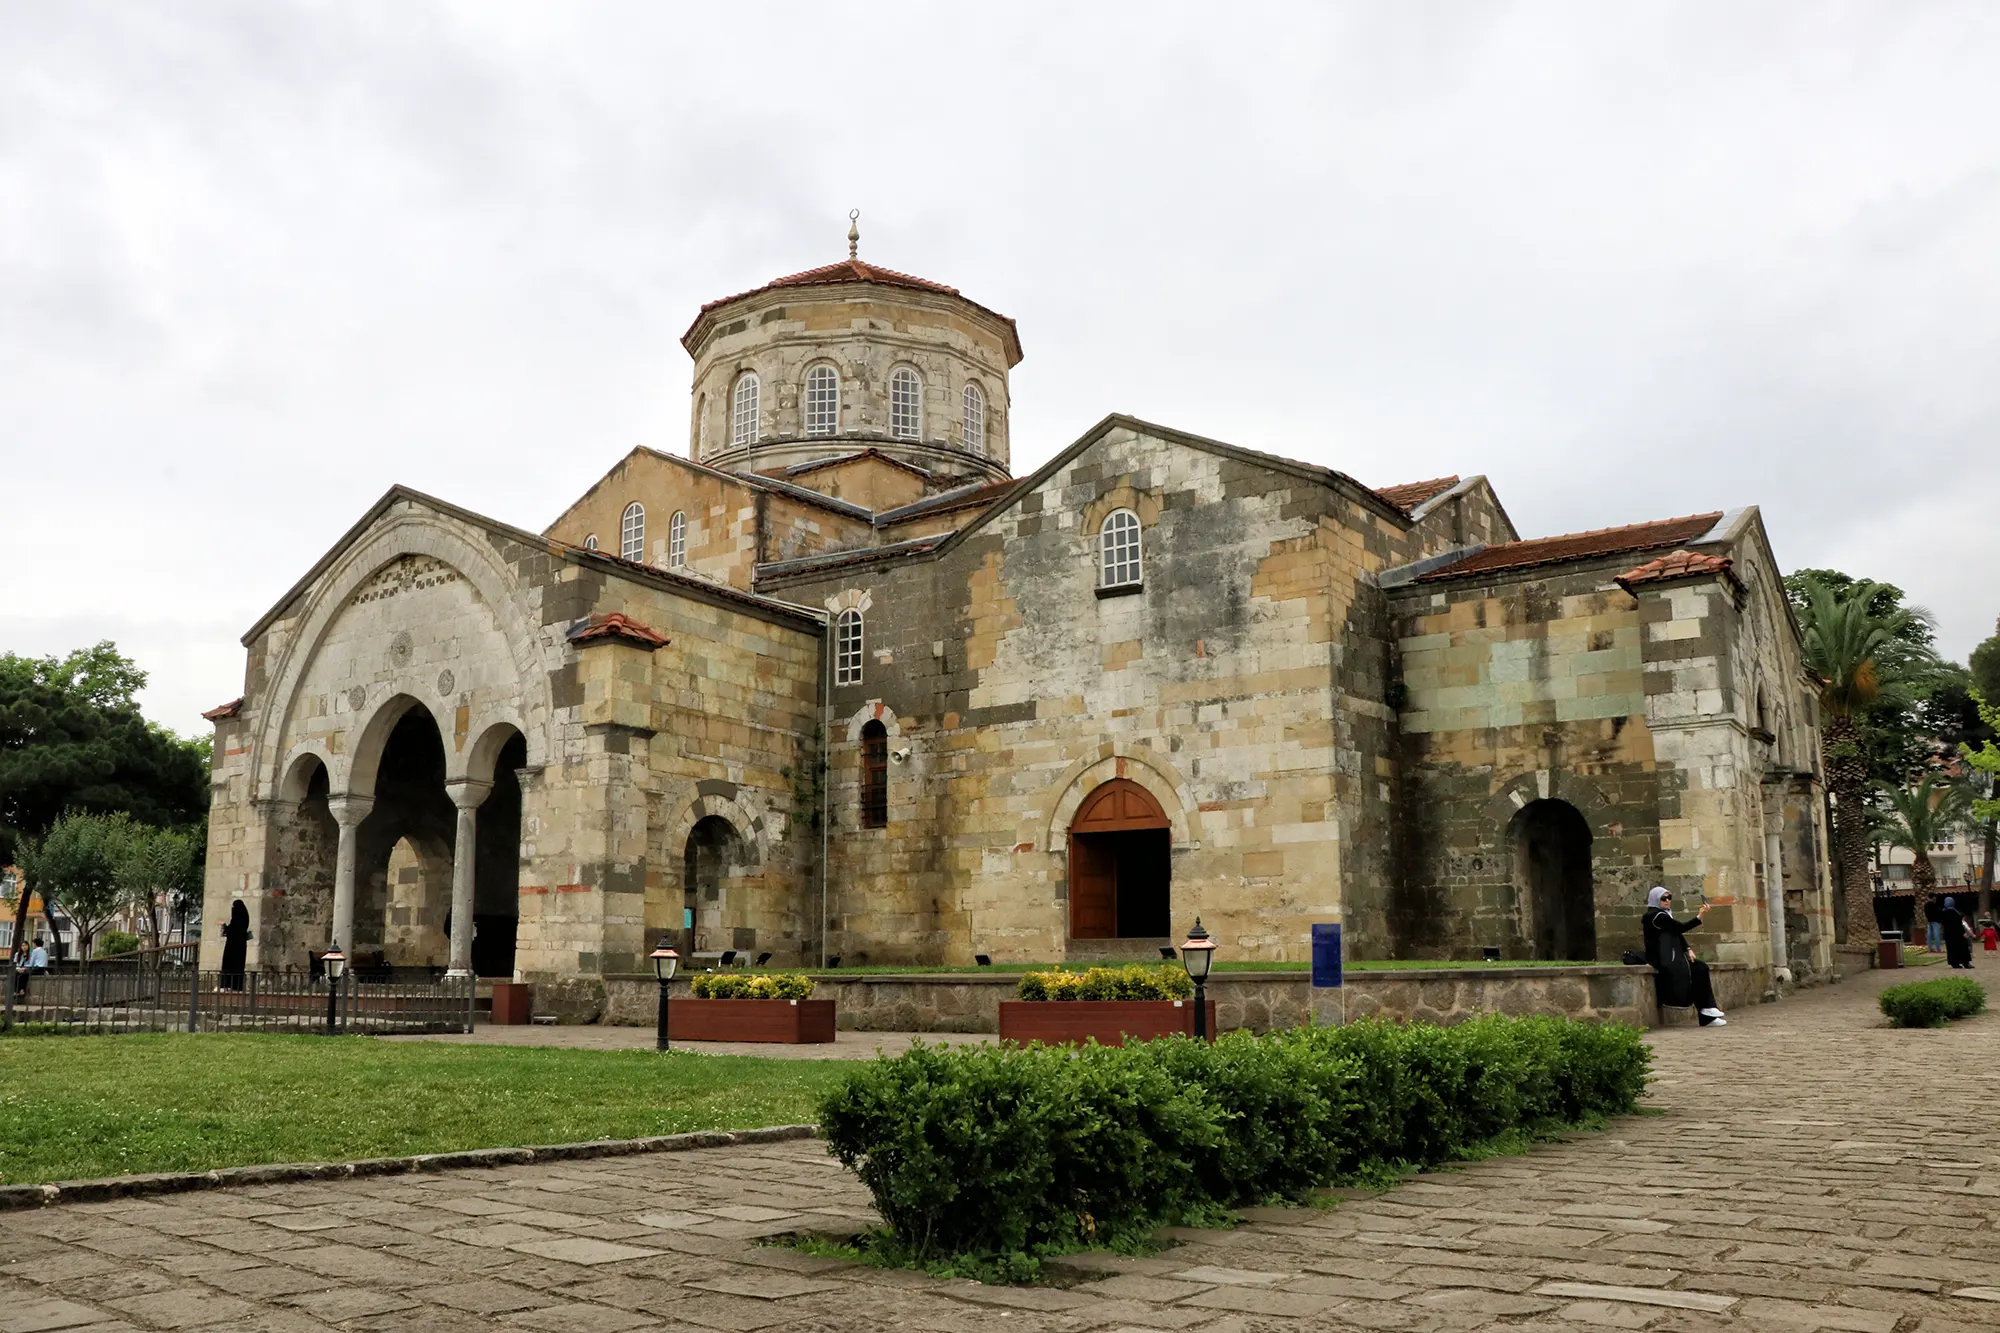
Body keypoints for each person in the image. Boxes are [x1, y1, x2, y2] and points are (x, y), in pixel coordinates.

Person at [1642, 887, 1727, 1026]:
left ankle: (1707, 1014)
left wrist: (1687, 948)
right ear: (1656, 900)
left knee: (1700, 968)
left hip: (1672, 957)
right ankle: (1707, 1012)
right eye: (1663, 898)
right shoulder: (1655, 916)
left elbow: (1675, 933)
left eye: (1669, 898)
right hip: (1663, 960)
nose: (1667, 901)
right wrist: (1699, 917)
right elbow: (1679, 928)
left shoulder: (1663, 915)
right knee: (1696, 971)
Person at [219, 901, 252, 991]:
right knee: (237, 966)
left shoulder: (238, 920)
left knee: (230, 965)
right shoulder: (243, 919)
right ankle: (235, 986)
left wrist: (224, 926)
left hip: (233, 947)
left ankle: (228, 985)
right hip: (239, 947)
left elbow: (232, 932)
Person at [1938, 897, 1974, 970]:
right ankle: (1965, 962)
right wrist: (1963, 932)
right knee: (1963, 947)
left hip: (1949, 934)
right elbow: (1959, 924)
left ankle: (1955, 963)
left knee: (1952, 949)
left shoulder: (1943, 912)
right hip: (1958, 934)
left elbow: (1942, 923)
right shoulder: (1955, 912)